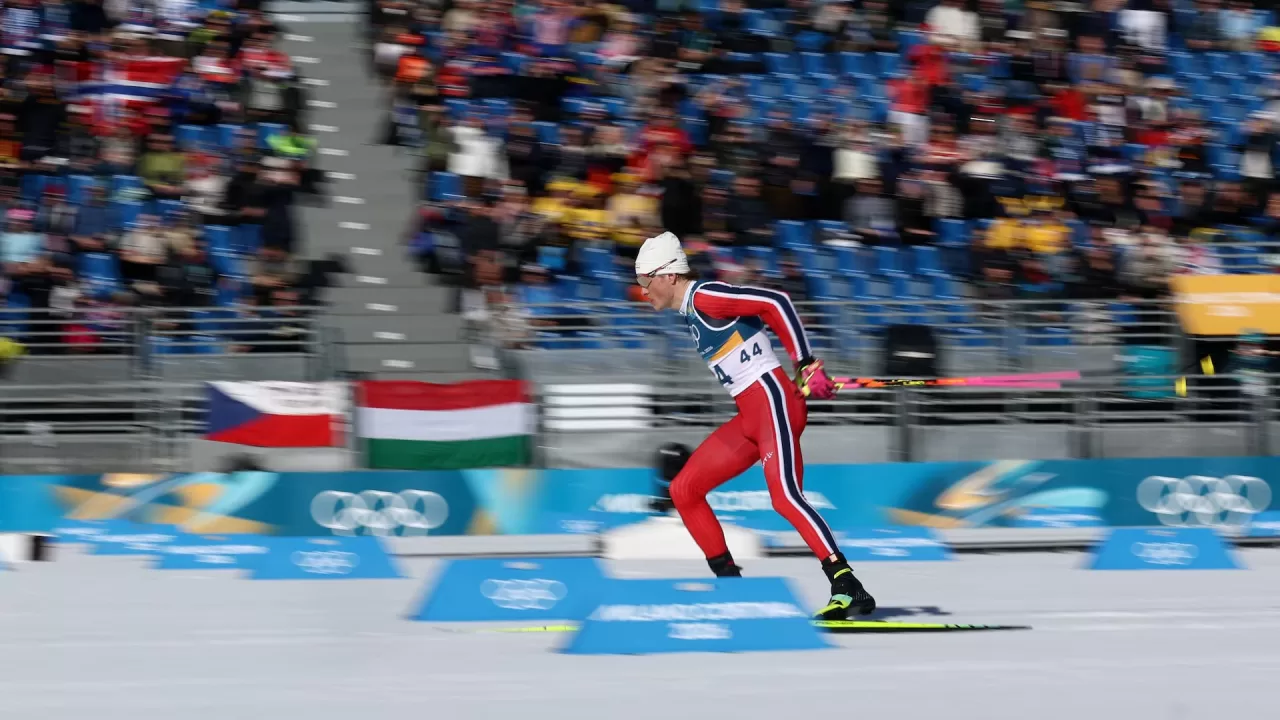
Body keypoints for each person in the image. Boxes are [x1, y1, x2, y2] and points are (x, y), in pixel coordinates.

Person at [634, 230, 876, 619]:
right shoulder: (691, 312)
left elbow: (774, 301)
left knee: (785, 497)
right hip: (751, 416)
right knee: (684, 488)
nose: (643, 291)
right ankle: (730, 587)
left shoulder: (705, 296)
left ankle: (847, 585)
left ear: (668, 276)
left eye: (645, 281)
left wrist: (805, 362)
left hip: (774, 401)